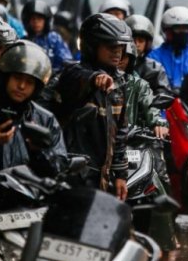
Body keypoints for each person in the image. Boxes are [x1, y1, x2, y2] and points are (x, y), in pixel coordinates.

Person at [43, 13, 130, 199]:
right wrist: (94, 79)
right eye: (111, 46)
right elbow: (75, 77)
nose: (117, 52)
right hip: (73, 174)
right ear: (92, 46)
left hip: (102, 177)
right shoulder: (71, 75)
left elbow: (120, 132)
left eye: (120, 47)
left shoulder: (120, 83)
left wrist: (121, 175)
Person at [119, 42, 180, 261]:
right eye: (113, 53)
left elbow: (152, 108)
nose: (118, 59)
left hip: (137, 149)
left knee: (158, 191)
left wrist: (158, 124)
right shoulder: (94, 81)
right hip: (101, 155)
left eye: (123, 56)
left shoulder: (139, 84)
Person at [0, 41, 67, 176]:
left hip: (28, 189)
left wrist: (38, 152)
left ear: (36, 87)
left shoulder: (46, 120)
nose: (22, 86)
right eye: (17, 78)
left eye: (29, 82)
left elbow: (59, 168)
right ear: (5, 77)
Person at [126, 14, 175, 111]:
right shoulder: (115, 64)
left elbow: (164, 93)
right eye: (133, 40)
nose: (136, 44)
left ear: (147, 44)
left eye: (141, 41)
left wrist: (148, 101)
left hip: (145, 115)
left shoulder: (155, 68)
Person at [21, 0, 72, 72]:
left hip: (52, 76)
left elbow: (66, 60)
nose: (36, 22)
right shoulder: (24, 42)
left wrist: (57, 73)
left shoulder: (54, 39)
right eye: (33, 19)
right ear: (27, 21)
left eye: (39, 19)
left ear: (46, 20)